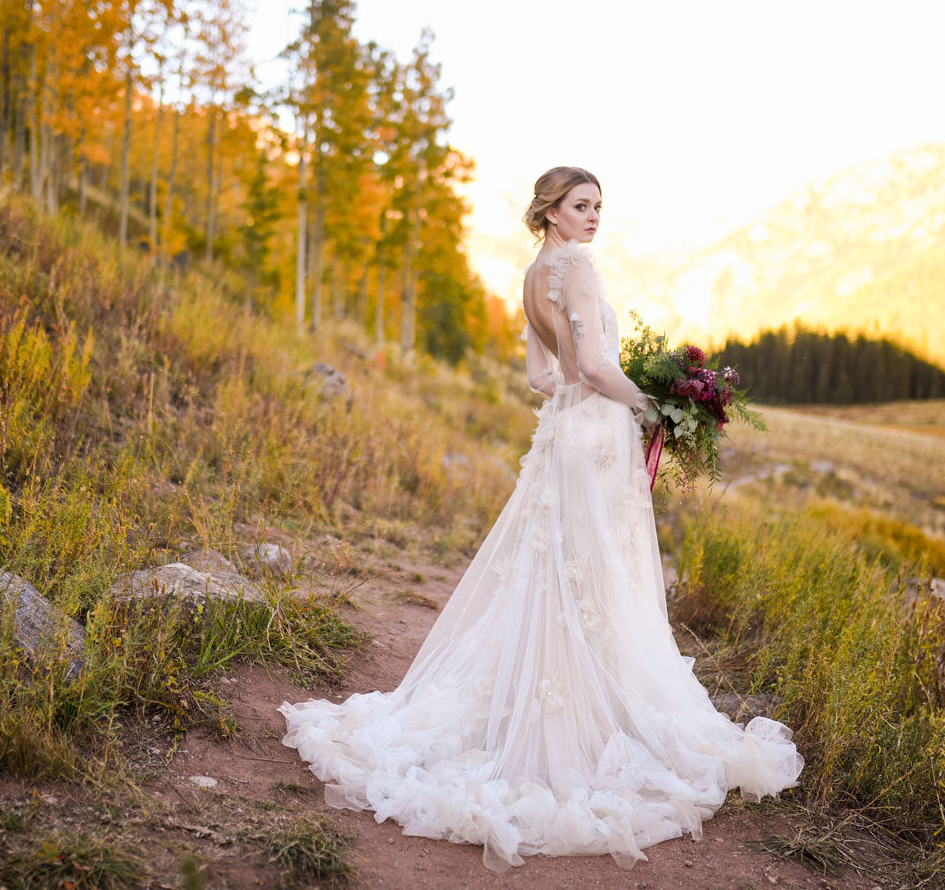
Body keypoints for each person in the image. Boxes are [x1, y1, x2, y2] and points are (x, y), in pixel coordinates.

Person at [278, 167, 804, 871]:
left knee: (562, 570)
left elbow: (539, 376)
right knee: (601, 574)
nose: (593, 218)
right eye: (581, 205)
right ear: (550, 211)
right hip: (591, 440)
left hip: (560, 437)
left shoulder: (533, 274)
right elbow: (589, 364)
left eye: (598, 207)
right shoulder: (578, 266)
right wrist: (645, 404)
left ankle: (565, 703)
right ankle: (590, 720)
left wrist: (601, 389)